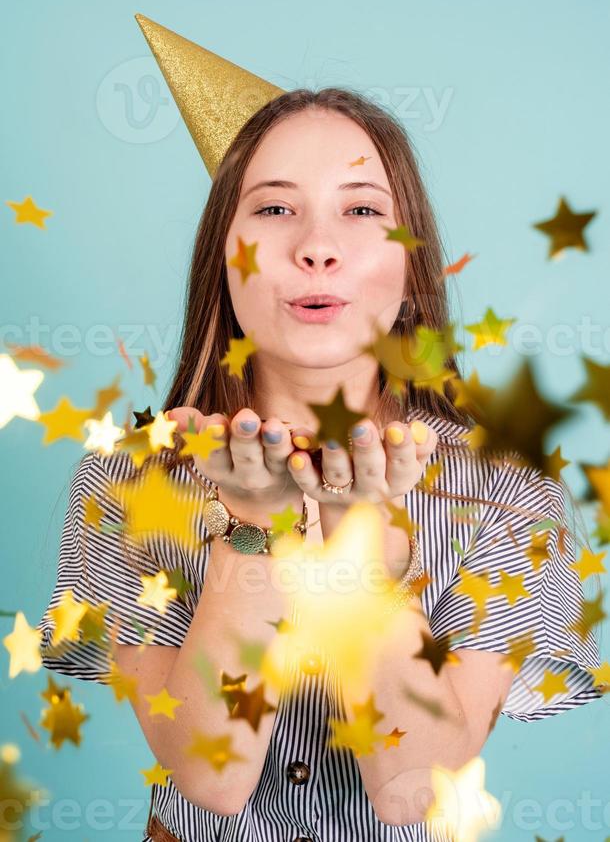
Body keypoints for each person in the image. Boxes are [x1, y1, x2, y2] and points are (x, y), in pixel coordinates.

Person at [36, 41, 604, 841]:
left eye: (362, 209)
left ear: (412, 255)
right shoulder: (128, 485)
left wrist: (358, 539)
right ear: (221, 257)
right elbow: (210, 777)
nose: (317, 246)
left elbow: (415, 792)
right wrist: (254, 530)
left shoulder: (505, 490)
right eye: (273, 208)